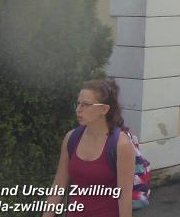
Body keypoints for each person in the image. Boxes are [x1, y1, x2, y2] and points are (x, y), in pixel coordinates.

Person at [47, 78, 134, 217]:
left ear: (104, 109)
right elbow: (59, 185)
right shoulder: (71, 138)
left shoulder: (121, 144)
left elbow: (124, 197)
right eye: (78, 103)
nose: (78, 109)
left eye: (86, 104)